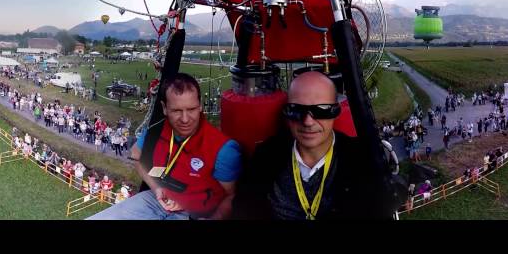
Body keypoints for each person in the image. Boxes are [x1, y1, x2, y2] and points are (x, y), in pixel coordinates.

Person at [232, 71, 393, 220]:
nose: (308, 122)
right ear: (286, 113)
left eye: (321, 110)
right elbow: (244, 208)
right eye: (296, 110)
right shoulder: (265, 157)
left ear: (335, 112)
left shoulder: (362, 161)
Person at [89, 73, 242, 220]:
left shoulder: (224, 149)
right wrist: (156, 188)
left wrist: (216, 218)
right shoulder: (156, 131)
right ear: (164, 108)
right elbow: (136, 155)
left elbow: (231, 196)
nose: (185, 119)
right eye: (176, 110)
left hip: (195, 213)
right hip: (156, 201)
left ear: (200, 105)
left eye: (191, 109)